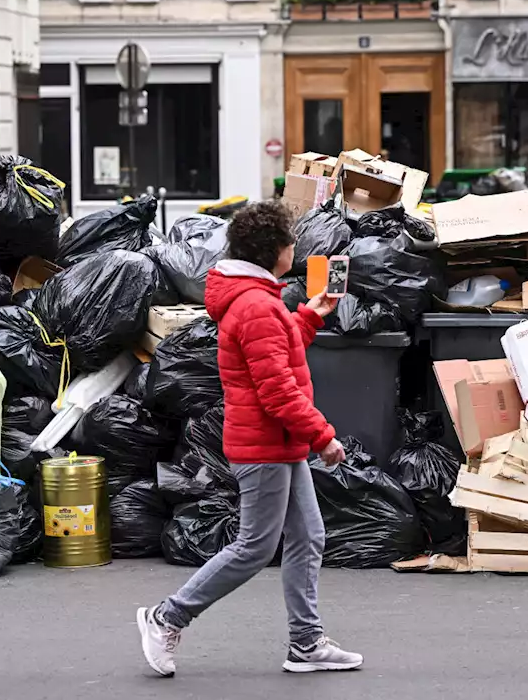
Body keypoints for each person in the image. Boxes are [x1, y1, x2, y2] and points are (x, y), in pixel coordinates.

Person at [137, 200, 363, 677]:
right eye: (290, 241)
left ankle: (306, 643)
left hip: (277, 442)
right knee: (255, 546)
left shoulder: (259, 298)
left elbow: (275, 353)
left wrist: (311, 315)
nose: (295, 247)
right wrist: (322, 437)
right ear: (274, 250)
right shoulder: (256, 304)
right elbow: (277, 390)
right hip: (264, 445)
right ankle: (166, 616)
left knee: (308, 535)